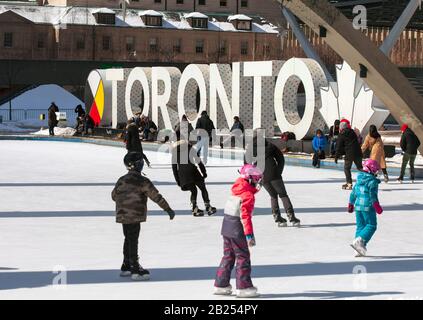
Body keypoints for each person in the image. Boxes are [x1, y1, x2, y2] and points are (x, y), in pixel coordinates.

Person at [112, 152, 175, 280]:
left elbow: (113, 196)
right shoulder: (142, 181)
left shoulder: (121, 180)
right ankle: (135, 268)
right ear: (138, 165)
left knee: (128, 238)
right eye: (141, 162)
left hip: (123, 215)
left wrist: (124, 201)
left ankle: (126, 264)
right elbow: (156, 196)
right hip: (135, 215)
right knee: (133, 239)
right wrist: (167, 209)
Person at [214, 164, 263, 298]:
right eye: (256, 179)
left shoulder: (237, 188)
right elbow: (245, 217)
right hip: (237, 230)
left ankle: (221, 284)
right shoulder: (248, 195)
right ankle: (244, 287)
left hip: (226, 228)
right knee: (243, 257)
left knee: (228, 256)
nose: (258, 183)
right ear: (250, 179)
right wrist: (249, 236)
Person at [245, 132, 300, 227]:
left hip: (262, 177)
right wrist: (278, 171)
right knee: (283, 195)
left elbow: (246, 166)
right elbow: (281, 159)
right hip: (274, 174)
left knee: (273, 196)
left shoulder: (250, 150)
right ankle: (291, 217)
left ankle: (277, 217)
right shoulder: (270, 146)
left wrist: (254, 177)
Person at [171, 130, 216, 216]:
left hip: (183, 174)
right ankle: (208, 206)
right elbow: (198, 160)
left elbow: (174, 168)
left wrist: (178, 180)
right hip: (192, 170)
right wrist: (204, 171)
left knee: (193, 191)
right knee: (202, 188)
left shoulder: (174, 151)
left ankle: (194, 208)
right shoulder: (189, 147)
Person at [348, 159, 383, 257]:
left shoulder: (359, 179)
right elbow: (373, 195)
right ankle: (360, 240)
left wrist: (351, 204)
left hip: (358, 207)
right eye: (375, 170)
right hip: (368, 206)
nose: (376, 172)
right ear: (371, 170)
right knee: (371, 225)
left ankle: (358, 249)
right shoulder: (372, 181)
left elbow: (353, 193)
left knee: (360, 226)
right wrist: (376, 205)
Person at [335, 120, 363, 190]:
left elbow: (339, 146)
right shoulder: (352, 132)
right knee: (360, 168)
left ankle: (349, 183)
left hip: (349, 154)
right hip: (358, 152)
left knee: (347, 168)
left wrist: (336, 156)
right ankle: (366, 181)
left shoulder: (341, 134)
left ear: (341, 128)